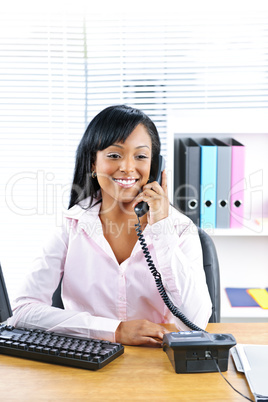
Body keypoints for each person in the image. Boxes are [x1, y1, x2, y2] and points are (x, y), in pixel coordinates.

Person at [9, 105, 212, 347]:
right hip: (86, 362)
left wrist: (162, 228)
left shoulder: (179, 229)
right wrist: (113, 330)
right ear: (93, 163)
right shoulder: (70, 226)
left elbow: (196, 323)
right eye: (114, 155)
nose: (127, 167)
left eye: (140, 156)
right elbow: (23, 311)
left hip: (158, 365)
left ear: (155, 167)